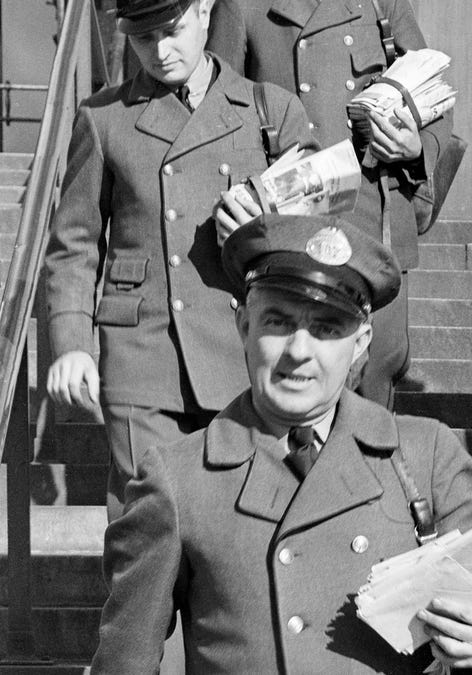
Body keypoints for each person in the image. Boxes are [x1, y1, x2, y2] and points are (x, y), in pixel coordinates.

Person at [91, 214, 472, 674]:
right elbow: (125, 655)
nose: (299, 351)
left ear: (360, 344)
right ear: (243, 327)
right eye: (277, 322)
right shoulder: (179, 478)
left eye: (326, 329)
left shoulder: (424, 455)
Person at [43, 0, 316, 518]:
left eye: (173, 31)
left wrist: (259, 231)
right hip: (142, 354)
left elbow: (316, 239)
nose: (162, 52)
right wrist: (72, 343)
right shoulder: (105, 120)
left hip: (241, 352)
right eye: (144, 39)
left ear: (205, 12)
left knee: (236, 532)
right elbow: (74, 244)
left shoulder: (269, 112)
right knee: (147, 525)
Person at [206, 0, 455, 407]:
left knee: (374, 377)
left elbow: (435, 94)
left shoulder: (382, 3)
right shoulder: (242, 6)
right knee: (295, 378)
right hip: (287, 225)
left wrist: (416, 146)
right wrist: (244, 194)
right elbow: (218, 113)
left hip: (374, 222)